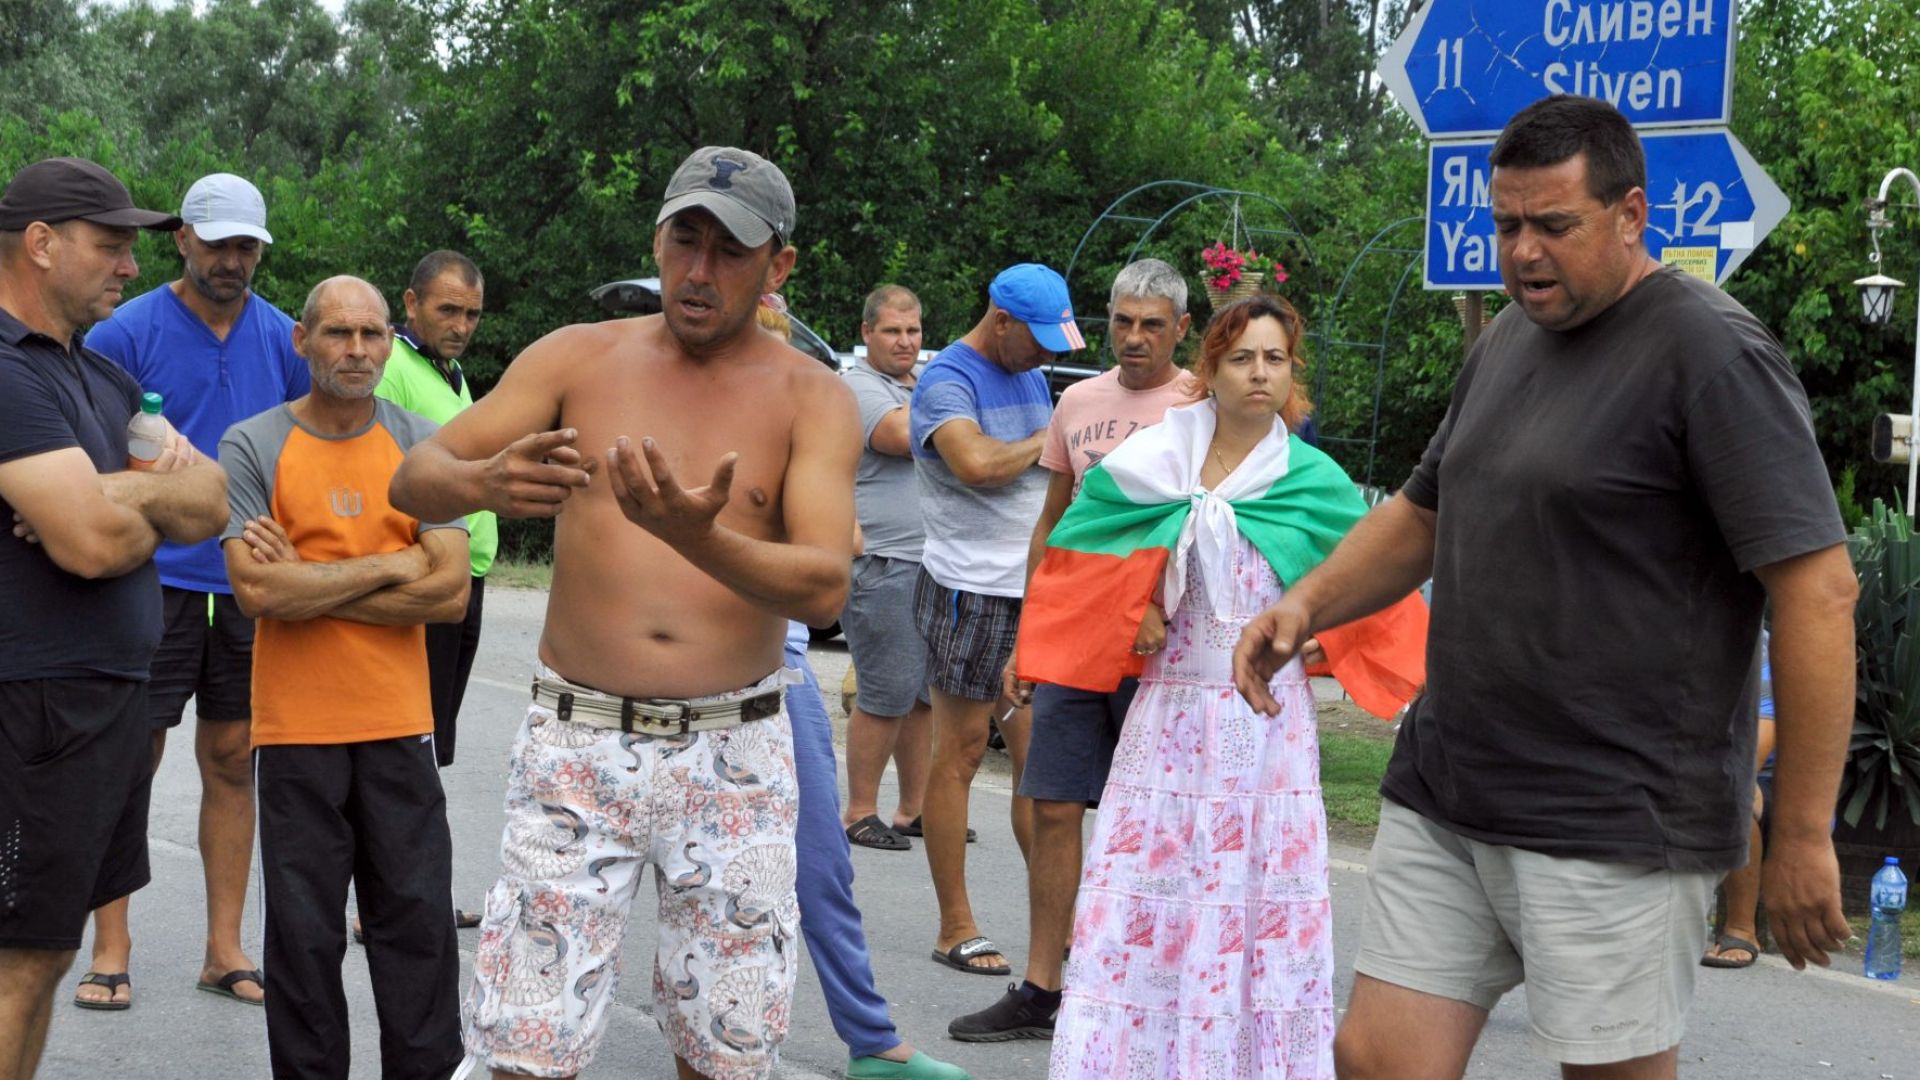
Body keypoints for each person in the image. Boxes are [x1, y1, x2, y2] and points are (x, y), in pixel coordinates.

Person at [1233, 95, 1858, 1080]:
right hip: (1450, 789)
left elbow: (1819, 592)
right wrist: (1305, 603)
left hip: (1615, 817)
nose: (1523, 253)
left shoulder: (1713, 353)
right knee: (1376, 1061)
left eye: (1554, 225)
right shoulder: (1505, 343)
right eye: (1506, 225)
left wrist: (1806, 832)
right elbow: (1424, 513)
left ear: (1631, 213)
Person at [390, 146, 857, 1080]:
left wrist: (698, 538)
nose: (699, 270)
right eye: (685, 240)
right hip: (579, 740)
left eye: (730, 251)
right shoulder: (577, 356)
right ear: (656, 240)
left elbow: (823, 585)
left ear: (779, 266)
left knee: (727, 1053)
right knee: (525, 1047)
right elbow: (415, 476)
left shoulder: (814, 397)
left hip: (735, 753)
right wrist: (485, 482)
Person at [1017, 294, 1424, 1077]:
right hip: (1168, 721)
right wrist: (1134, 603)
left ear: (1292, 372)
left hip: (1267, 730)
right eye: (1242, 358)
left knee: (1253, 902)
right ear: (1209, 369)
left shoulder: (1310, 479)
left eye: (1275, 358)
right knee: (1152, 893)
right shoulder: (1151, 461)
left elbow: (1369, 579)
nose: (1260, 373)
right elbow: (1080, 550)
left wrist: (1322, 634)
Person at [0, 156, 228, 1079]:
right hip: (33, 711)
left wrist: (109, 492)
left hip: (104, 708)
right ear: (41, 244)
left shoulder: (102, 380)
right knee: (16, 963)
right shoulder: (7, 374)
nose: (132, 267)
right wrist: (135, 502)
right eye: (110, 246)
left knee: (47, 955)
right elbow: (91, 546)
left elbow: (213, 499)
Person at [220, 275, 470, 1079]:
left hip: (400, 724)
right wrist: (396, 562)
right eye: (337, 333)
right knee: (303, 940)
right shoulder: (252, 444)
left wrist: (311, 579)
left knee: (418, 929)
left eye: (371, 334)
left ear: (390, 341)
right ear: (303, 341)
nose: (356, 350)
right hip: (296, 730)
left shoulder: (425, 445)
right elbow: (258, 593)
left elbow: (450, 594)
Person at [79, 170, 308, 1010]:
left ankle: (224, 949)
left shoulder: (284, 338)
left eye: (247, 246)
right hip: (152, 577)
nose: (232, 260)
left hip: (245, 581)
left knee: (234, 759)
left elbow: (303, 452)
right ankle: (111, 946)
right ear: (182, 239)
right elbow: (90, 454)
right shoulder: (124, 331)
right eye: (217, 244)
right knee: (128, 759)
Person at [950, 257, 1194, 1040]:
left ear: (1181, 329)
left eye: (1151, 324)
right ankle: (1042, 989)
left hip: (1163, 649)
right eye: (1122, 321)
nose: (1134, 337)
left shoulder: (1201, 404)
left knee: (1153, 819)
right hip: (1077, 634)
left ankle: (1147, 987)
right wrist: (1029, 638)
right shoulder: (1078, 402)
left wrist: (1149, 603)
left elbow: (1212, 530)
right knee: (1054, 805)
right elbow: (1052, 525)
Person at [757, 295, 968, 1080]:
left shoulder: (801, 425)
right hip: (687, 684)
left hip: (778, 668)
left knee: (822, 866)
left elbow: (837, 550)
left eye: (775, 351)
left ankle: (872, 1040)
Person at [910, 262, 1074, 978]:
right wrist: (1058, 439)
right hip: (968, 590)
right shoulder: (947, 379)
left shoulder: (1028, 373)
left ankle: (1060, 928)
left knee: (1040, 767)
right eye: (1036, 339)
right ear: (1000, 321)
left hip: (1032, 590)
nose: (1044, 355)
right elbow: (975, 463)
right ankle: (956, 926)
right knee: (962, 753)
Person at [375, 250, 496, 775]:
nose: (461, 326)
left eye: (472, 314)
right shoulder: (394, 367)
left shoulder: (450, 371)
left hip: (468, 571)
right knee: (408, 739)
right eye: (448, 310)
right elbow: (378, 471)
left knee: (434, 735)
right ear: (412, 303)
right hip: (429, 569)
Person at [840, 284, 934, 852]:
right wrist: (957, 410)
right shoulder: (857, 385)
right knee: (886, 692)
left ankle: (913, 811)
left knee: (922, 696)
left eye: (913, 330)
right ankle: (858, 812)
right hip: (883, 561)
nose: (905, 341)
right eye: (892, 331)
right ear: (867, 333)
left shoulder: (920, 386)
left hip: (929, 562)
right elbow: (901, 436)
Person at [1702, 630, 1778, 969]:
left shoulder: (1758, 646)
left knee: (1737, 793)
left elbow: (1756, 748)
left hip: (1768, 777)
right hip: (1697, 761)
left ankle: (1741, 928)